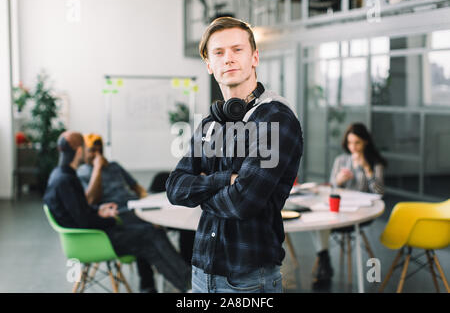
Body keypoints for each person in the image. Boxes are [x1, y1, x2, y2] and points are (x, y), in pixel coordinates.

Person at [165, 17, 303, 293]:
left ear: (254, 57)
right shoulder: (211, 123)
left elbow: (242, 202)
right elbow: (174, 187)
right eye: (218, 52)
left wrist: (201, 189)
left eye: (237, 50)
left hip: (247, 279)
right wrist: (225, 180)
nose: (228, 59)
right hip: (202, 270)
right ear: (209, 65)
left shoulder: (275, 118)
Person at [44, 131, 191, 293]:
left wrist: (99, 210)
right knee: (152, 235)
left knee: (150, 239)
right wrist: (112, 219)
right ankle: (190, 285)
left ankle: (186, 287)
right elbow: (84, 220)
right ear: (79, 151)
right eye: (86, 148)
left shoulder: (59, 175)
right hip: (94, 239)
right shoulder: (67, 180)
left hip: (90, 235)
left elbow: (80, 210)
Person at [312, 122, 387, 287]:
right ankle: (324, 259)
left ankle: (324, 261)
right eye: (350, 143)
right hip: (341, 208)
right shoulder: (341, 160)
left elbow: (379, 193)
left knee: (326, 221)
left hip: (362, 212)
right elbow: (332, 188)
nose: (353, 147)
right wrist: (338, 181)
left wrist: (367, 169)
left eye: (357, 143)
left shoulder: (375, 163)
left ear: (365, 142)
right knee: (318, 221)